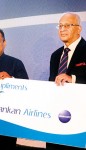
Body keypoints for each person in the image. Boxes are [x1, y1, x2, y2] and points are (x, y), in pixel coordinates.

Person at [47, 12, 86, 150]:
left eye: (67, 25)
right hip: (56, 120)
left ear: (79, 29)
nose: (62, 29)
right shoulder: (55, 55)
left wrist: (73, 79)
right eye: (60, 26)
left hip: (80, 122)